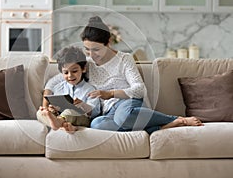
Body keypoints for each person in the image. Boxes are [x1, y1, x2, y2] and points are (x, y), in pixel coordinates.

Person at [46, 16, 203, 134]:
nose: (91, 55)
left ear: (108, 43)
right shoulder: (87, 63)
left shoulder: (124, 59)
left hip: (128, 104)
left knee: (123, 117)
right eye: (87, 50)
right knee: (97, 125)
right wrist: (46, 101)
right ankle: (159, 127)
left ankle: (174, 119)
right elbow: (55, 81)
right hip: (107, 112)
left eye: (96, 49)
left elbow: (139, 89)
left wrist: (110, 93)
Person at [37, 46, 101, 133]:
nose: (70, 75)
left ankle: (58, 123)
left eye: (74, 71)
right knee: (40, 113)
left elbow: (96, 112)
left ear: (83, 69)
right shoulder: (58, 87)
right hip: (60, 115)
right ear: (61, 72)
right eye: (66, 72)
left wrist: (83, 105)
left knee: (69, 112)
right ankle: (66, 126)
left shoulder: (90, 89)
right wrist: (52, 109)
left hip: (81, 118)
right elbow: (54, 106)